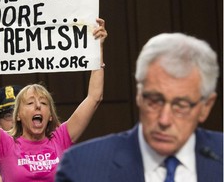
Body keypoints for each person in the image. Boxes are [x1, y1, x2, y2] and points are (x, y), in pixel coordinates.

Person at [0, 18, 107, 182]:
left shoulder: (61, 138)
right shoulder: (6, 144)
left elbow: (94, 98)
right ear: (18, 115)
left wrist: (98, 48)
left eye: (44, 103)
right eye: (30, 103)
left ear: (50, 115)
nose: (38, 106)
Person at [55, 33, 223, 182]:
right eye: (154, 101)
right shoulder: (82, 168)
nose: (164, 120)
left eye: (181, 105)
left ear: (205, 107)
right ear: (139, 95)